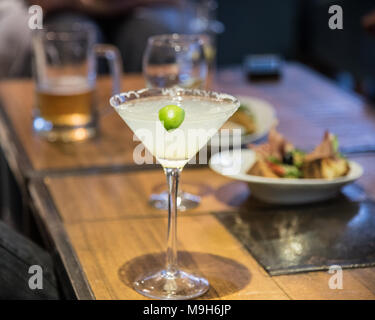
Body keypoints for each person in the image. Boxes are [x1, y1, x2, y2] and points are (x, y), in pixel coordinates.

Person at [0, 0, 192, 78]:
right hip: (66, 8)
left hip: (138, 8)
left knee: (149, 34)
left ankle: (149, 134)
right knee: (70, 33)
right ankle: (71, 132)